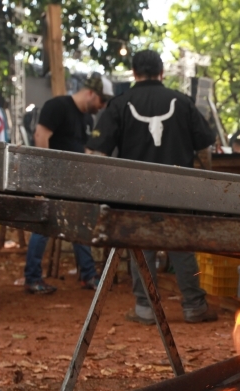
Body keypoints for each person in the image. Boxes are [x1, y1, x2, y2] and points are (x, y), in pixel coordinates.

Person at [86, 50, 217, 324]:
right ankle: (194, 306)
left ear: (134, 73)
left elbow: (96, 154)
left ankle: (145, 308)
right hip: (179, 191)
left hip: (135, 192)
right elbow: (204, 148)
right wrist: (206, 182)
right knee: (181, 245)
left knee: (141, 246)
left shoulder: (120, 104)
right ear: (162, 73)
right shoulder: (182, 102)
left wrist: (103, 192)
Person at [24, 74, 112, 295]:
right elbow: (40, 135)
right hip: (54, 177)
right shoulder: (58, 106)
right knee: (43, 226)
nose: (102, 107)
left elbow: (81, 149)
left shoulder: (86, 120)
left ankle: (88, 275)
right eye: (101, 101)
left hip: (75, 180)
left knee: (79, 224)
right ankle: (32, 278)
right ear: (91, 93)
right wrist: (44, 173)